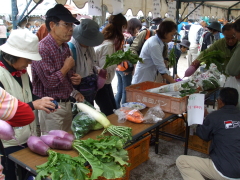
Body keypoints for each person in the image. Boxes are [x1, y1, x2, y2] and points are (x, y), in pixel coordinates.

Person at [0, 29, 56, 180]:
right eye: (28, 58)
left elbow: (29, 95)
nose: (30, 63)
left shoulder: (22, 71)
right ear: (15, 56)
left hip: (27, 136)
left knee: (26, 173)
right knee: (11, 175)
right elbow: (4, 110)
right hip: (7, 143)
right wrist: (33, 105)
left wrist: (43, 101)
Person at [31, 4, 82, 133]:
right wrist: (65, 68)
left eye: (72, 25)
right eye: (67, 25)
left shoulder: (65, 47)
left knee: (67, 142)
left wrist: (75, 80)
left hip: (66, 104)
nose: (71, 29)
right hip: (50, 108)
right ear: (53, 25)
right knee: (54, 147)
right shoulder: (42, 49)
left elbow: (67, 76)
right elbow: (49, 83)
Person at [176, 87, 240, 180]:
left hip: (226, 171)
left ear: (220, 101)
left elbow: (203, 135)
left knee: (182, 161)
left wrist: (201, 119)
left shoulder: (215, 116)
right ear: (237, 103)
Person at [94, 13, 127, 116]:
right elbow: (104, 68)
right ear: (121, 27)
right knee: (110, 114)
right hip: (101, 84)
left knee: (113, 111)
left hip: (105, 83)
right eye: (125, 28)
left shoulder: (108, 42)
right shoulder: (108, 45)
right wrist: (118, 60)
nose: (125, 31)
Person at [0, 87, 35, 180]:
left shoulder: (24, 75)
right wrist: (32, 105)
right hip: (9, 144)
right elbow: (27, 115)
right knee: (11, 173)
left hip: (25, 137)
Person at [68, 19, 104, 105]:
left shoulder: (90, 48)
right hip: (78, 94)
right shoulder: (71, 49)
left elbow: (93, 64)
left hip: (90, 91)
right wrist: (74, 93)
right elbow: (66, 77)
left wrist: (97, 69)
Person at [132, 20, 176, 84]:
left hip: (148, 78)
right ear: (165, 33)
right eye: (171, 35)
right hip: (142, 80)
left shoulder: (159, 42)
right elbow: (162, 71)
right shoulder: (154, 44)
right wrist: (175, 83)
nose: (172, 38)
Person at [115, 18, 142, 108]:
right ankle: (124, 110)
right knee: (126, 91)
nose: (138, 31)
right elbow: (128, 55)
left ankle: (114, 108)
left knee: (120, 90)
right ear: (133, 27)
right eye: (137, 28)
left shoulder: (122, 36)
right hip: (125, 68)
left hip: (118, 67)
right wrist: (129, 68)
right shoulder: (130, 39)